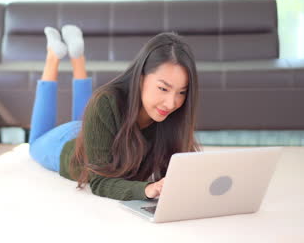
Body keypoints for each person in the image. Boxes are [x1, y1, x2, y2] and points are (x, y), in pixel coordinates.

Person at [29, 25, 201, 201]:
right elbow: (100, 182)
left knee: (90, 109)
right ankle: (53, 56)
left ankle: (76, 55)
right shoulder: (105, 102)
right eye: (163, 88)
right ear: (140, 78)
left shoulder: (172, 116)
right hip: (63, 143)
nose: (172, 103)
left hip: (93, 127)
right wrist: (147, 189)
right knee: (34, 143)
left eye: (181, 92)